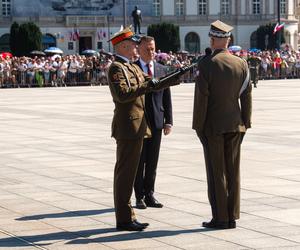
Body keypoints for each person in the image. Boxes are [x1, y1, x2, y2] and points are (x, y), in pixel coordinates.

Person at [107, 27, 180, 232]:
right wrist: (149, 86)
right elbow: (123, 94)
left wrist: (174, 77)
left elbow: (152, 83)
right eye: (133, 45)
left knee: (129, 175)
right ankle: (124, 218)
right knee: (125, 175)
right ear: (123, 46)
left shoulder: (132, 67)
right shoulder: (116, 68)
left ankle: (128, 216)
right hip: (128, 127)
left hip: (138, 127)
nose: (136, 48)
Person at [192, 20, 252, 229]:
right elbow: (246, 95)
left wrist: (198, 126)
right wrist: (246, 122)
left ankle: (220, 217)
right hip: (235, 124)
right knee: (233, 172)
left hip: (213, 126)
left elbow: (202, 98)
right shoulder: (241, 63)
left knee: (217, 172)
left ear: (213, 39)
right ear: (228, 40)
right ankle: (232, 216)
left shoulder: (206, 63)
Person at [134, 36, 173, 209]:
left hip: (157, 120)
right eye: (147, 49)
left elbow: (166, 95)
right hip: (140, 122)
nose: (150, 52)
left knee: (153, 160)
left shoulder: (161, 69)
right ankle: (139, 195)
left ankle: (150, 193)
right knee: (139, 160)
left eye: (152, 49)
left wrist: (169, 121)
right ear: (139, 50)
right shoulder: (132, 69)